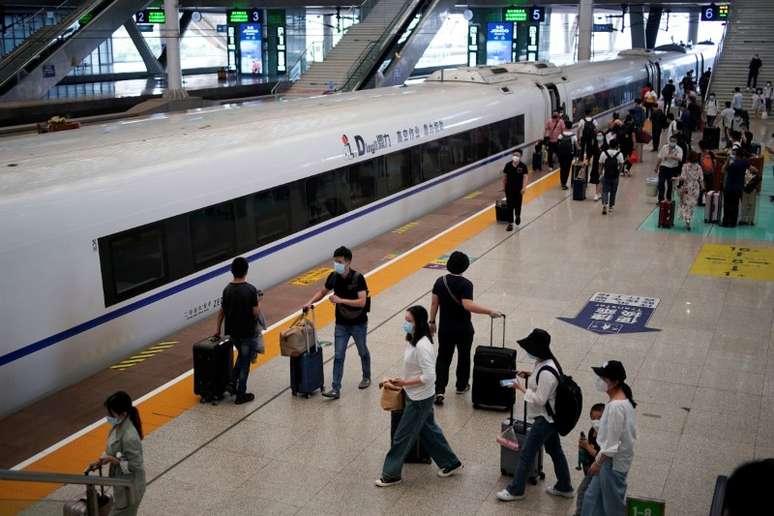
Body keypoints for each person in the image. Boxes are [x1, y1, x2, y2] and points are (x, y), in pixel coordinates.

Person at [375, 305, 463, 487]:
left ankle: (391, 474)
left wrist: (404, 383)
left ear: (418, 323)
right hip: (415, 394)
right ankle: (451, 462)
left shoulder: (423, 345)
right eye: (405, 320)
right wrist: (402, 380)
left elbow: (430, 376)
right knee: (429, 431)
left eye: (409, 321)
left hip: (419, 399)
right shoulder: (412, 339)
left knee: (402, 436)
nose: (405, 324)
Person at [496, 329, 574, 503]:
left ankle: (516, 490)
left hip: (545, 419)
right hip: (551, 418)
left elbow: (539, 399)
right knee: (555, 451)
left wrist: (520, 388)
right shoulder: (545, 361)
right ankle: (565, 486)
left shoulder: (547, 371)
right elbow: (542, 381)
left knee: (527, 453)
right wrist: (529, 375)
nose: (528, 351)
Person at [430, 251, 502, 405]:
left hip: (445, 328)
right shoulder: (466, 284)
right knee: (464, 356)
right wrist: (490, 311)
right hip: (463, 329)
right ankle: (461, 385)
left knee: (443, 357)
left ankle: (439, 390)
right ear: (465, 266)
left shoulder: (439, 281)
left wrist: (432, 321)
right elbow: (467, 305)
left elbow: (434, 304)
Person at [304, 246, 371, 399]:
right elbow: (322, 292)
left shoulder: (358, 278)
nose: (336, 265)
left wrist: (340, 300)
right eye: (335, 262)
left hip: (358, 323)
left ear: (348, 262)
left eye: (339, 262)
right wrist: (309, 302)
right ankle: (335, 388)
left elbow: (362, 302)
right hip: (341, 323)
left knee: (362, 351)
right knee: (338, 355)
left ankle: (366, 376)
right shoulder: (333, 277)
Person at [581, 361, 637, 516]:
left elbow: (611, 446)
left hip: (612, 464)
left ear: (615, 382)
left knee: (613, 508)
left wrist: (597, 464)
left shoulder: (616, 407)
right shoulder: (622, 402)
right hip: (608, 461)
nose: (599, 380)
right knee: (591, 498)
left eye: (603, 378)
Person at [215, 257, 262, 405]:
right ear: (246, 271)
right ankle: (241, 393)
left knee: (241, 356)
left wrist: (217, 329)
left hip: (233, 333)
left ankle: (231, 384)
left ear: (232, 271)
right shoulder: (251, 289)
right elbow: (256, 313)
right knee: (245, 362)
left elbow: (222, 312)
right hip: (247, 332)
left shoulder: (227, 289)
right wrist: (258, 301)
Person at [91, 392, 145, 516]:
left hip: (131, 489)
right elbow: (113, 448)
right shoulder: (118, 426)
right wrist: (103, 458)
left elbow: (135, 465)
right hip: (122, 487)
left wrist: (113, 460)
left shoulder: (129, 437)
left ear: (123, 414)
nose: (108, 416)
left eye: (111, 414)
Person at [573, 403, 605, 516]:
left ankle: (579, 513)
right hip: (592, 469)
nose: (596, 421)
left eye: (600, 418)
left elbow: (601, 455)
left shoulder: (606, 435)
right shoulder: (592, 431)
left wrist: (586, 446)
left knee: (582, 491)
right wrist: (583, 445)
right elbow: (591, 449)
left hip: (601, 470)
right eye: (594, 419)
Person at [673, 151, 705, 230]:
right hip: (695, 188)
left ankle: (686, 219)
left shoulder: (685, 166)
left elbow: (683, 177)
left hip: (687, 187)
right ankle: (689, 219)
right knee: (691, 205)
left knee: (684, 204)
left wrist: (675, 178)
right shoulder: (699, 167)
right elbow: (701, 179)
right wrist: (703, 187)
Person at [502, 149, 529, 230]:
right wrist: (503, 187)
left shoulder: (523, 166)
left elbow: (525, 177)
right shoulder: (508, 165)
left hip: (519, 190)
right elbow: (504, 177)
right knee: (509, 206)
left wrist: (524, 187)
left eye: (517, 155)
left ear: (520, 156)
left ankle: (517, 216)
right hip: (509, 189)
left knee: (518, 204)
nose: (515, 156)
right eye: (514, 155)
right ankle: (510, 223)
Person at [722, 147, 747, 227]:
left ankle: (726, 222)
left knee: (727, 205)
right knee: (735, 205)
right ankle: (733, 222)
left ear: (736, 155)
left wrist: (727, 160)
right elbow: (753, 169)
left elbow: (723, 170)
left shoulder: (733, 164)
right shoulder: (744, 162)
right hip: (738, 188)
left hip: (729, 188)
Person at [654, 135, 683, 203]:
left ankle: (668, 198)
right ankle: (660, 199)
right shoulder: (664, 147)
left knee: (670, 184)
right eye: (671, 141)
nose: (672, 142)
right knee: (661, 183)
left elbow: (680, 158)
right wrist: (656, 167)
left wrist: (671, 156)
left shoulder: (679, 149)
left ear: (676, 141)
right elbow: (660, 157)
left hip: (673, 168)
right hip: (663, 167)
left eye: (674, 141)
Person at [599, 139, 624, 215]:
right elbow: (621, 165)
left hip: (606, 175)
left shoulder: (604, 153)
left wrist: (600, 173)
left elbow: (600, 164)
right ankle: (610, 207)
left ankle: (604, 204)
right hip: (615, 176)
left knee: (605, 191)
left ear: (609, 145)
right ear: (617, 146)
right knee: (613, 192)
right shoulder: (619, 154)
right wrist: (618, 172)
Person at [588, 130, 605, 201]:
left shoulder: (606, 145)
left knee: (602, 179)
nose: (599, 137)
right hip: (596, 164)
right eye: (598, 135)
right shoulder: (594, 145)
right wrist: (587, 160)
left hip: (604, 164)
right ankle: (597, 193)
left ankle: (599, 193)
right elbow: (590, 153)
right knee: (597, 179)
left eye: (600, 135)